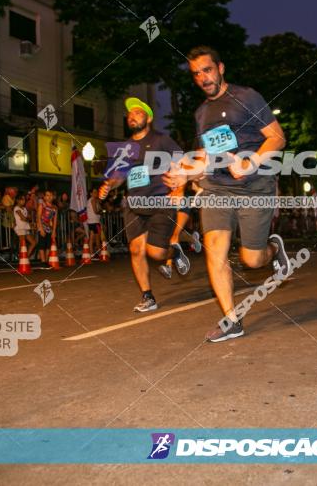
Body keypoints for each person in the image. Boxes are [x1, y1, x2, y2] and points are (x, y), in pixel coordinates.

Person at [164, 45, 290, 342]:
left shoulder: (246, 97)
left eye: (207, 70)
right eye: (196, 74)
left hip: (255, 186)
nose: (202, 78)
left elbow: (278, 137)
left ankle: (272, 249)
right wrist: (183, 174)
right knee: (215, 250)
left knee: (252, 260)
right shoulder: (200, 113)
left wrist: (251, 162)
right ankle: (232, 320)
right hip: (217, 188)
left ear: (220, 69)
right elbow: (204, 154)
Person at [100, 97, 190, 313]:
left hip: (160, 201)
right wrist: (110, 185)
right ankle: (147, 296)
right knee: (135, 250)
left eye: (137, 113)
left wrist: (179, 188)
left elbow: (183, 161)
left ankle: (174, 253)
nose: (132, 117)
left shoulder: (162, 140)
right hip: (134, 204)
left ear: (148, 118)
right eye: (129, 115)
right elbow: (120, 175)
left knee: (156, 253)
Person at [35, 190, 58, 263]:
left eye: (51, 195)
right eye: (47, 195)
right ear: (44, 197)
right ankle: (43, 260)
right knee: (42, 244)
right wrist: (41, 229)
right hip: (41, 226)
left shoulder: (55, 207)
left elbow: (55, 220)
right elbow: (38, 217)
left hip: (49, 228)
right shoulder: (42, 205)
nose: (49, 197)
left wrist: (54, 231)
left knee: (48, 244)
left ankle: (47, 260)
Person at [13, 194, 37, 258]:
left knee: (33, 242)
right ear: (18, 200)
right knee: (23, 244)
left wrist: (26, 218)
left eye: (24, 199)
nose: (23, 201)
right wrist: (26, 218)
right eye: (22, 199)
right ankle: (22, 258)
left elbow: (28, 217)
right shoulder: (16, 208)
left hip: (26, 227)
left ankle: (26, 257)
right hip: (20, 228)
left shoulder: (24, 208)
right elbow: (24, 218)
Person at [87, 188, 102, 256]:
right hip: (94, 221)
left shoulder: (94, 200)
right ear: (91, 193)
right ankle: (97, 252)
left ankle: (92, 252)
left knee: (94, 237)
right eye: (94, 192)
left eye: (96, 192)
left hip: (93, 221)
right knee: (96, 237)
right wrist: (101, 211)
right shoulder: (93, 200)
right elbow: (95, 211)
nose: (96, 193)